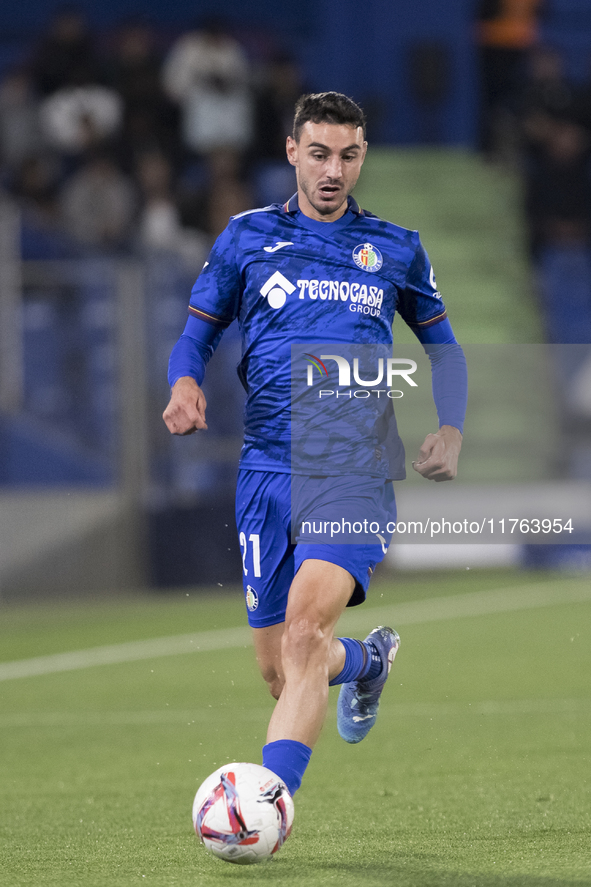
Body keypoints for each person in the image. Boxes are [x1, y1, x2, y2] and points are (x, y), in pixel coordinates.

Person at [163, 92, 467, 797]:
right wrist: (185, 384)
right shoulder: (244, 237)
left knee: (303, 636)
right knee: (279, 669)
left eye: (349, 155)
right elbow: (196, 333)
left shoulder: (395, 247)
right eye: (320, 153)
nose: (334, 169)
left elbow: (444, 350)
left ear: (362, 158)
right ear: (293, 151)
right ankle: (365, 662)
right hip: (265, 468)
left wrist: (449, 426)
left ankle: (268, 806)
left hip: (351, 467)